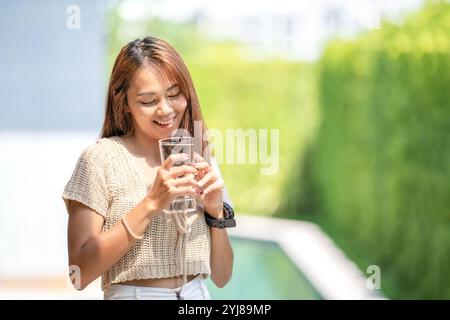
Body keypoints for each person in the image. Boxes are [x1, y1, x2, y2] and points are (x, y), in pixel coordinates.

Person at [62, 36, 235, 300]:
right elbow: (79, 274)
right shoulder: (100, 160)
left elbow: (222, 277)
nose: (166, 109)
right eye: (148, 100)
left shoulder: (198, 154)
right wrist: (152, 202)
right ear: (124, 103)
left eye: (175, 94)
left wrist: (215, 213)